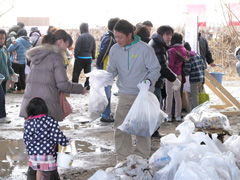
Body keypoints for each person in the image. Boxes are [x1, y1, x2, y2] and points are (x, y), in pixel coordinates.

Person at [107, 19, 161, 161]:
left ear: (130, 35)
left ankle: (141, 159)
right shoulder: (114, 50)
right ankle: (123, 159)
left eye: (120, 37)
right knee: (120, 128)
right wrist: (104, 78)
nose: (117, 40)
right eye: (115, 36)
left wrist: (148, 81)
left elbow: (155, 69)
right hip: (124, 94)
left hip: (142, 95)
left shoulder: (144, 49)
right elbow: (111, 70)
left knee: (142, 129)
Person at [19, 29, 87, 122]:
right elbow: (63, 84)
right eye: (66, 45)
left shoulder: (37, 55)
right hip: (44, 106)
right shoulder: (56, 57)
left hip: (30, 105)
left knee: (33, 134)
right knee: (47, 134)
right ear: (60, 41)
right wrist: (80, 88)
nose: (65, 49)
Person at [24, 97, 69, 180]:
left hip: (33, 156)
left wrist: (30, 151)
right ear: (44, 108)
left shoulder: (28, 123)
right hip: (47, 154)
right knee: (47, 173)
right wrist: (65, 142)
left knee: (39, 170)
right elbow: (57, 135)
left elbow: (26, 139)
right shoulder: (50, 120)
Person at [148, 25, 181, 136]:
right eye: (167, 34)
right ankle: (152, 131)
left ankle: (153, 130)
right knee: (155, 107)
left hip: (155, 81)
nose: (169, 37)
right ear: (161, 35)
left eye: (171, 34)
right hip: (154, 82)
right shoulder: (157, 46)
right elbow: (161, 67)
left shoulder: (159, 44)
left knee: (156, 106)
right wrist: (174, 78)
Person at [96, 17, 119, 122]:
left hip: (105, 68)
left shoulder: (107, 36)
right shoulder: (109, 38)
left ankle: (105, 113)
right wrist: (99, 64)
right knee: (107, 93)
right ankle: (105, 115)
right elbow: (103, 53)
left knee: (106, 92)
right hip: (106, 69)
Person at [166, 33, 188, 122]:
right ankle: (178, 115)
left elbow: (170, 64)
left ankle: (169, 116)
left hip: (170, 76)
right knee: (177, 95)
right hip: (178, 75)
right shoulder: (184, 49)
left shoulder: (171, 50)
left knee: (169, 95)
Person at [72, 23, 96, 90]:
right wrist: (93, 57)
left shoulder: (81, 37)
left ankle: (75, 86)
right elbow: (94, 48)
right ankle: (87, 86)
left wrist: (76, 55)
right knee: (88, 74)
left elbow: (77, 47)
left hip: (80, 58)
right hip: (89, 58)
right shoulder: (92, 37)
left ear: (81, 29)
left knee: (76, 73)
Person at [8, 28, 32, 94]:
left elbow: (10, 49)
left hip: (16, 61)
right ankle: (23, 88)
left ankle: (19, 89)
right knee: (22, 75)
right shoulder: (28, 41)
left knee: (16, 75)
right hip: (23, 61)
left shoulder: (18, 40)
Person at [0, 29, 17, 123]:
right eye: (0, 38)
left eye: (3, 38)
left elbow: (8, 64)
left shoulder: (5, 49)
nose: (1, 40)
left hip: (4, 78)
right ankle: (2, 116)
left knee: (2, 97)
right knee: (1, 97)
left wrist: (12, 73)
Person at [184, 42, 205, 110]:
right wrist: (203, 79)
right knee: (199, 96)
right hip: (201, 78)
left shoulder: (189, 58)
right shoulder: (198, 55)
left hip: (194, 80)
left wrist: (182, 73)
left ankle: (195, 112)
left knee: (194, 97)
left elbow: (187, 71)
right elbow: (203, 67)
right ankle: (201, 110)